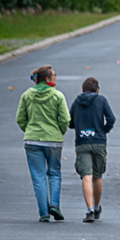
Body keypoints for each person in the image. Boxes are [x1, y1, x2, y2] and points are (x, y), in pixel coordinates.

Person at [16, 65, 70, 222]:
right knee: (54, 173)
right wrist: (59, 131)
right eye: (54, 75)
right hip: (53, 140)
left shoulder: (27, 95)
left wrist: (29, 130)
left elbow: (20, 118)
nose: (56, 77)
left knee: (38, 177)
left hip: (32, 140)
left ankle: (44, 213)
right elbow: (65, 119)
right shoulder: (58, 96)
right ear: (47, 79)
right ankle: (54, 204)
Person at [68, 77, 115, 223]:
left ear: (82, 90)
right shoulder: (101, 100)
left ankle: (89, 210)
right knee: (97, 176)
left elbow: (70, 122)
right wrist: (103, 130)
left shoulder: (77, 102)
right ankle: (97, 207)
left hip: (82, 142)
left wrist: (80, 128)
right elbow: (111, 119)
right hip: (99, 141)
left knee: (86, 176)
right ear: (97, 90)